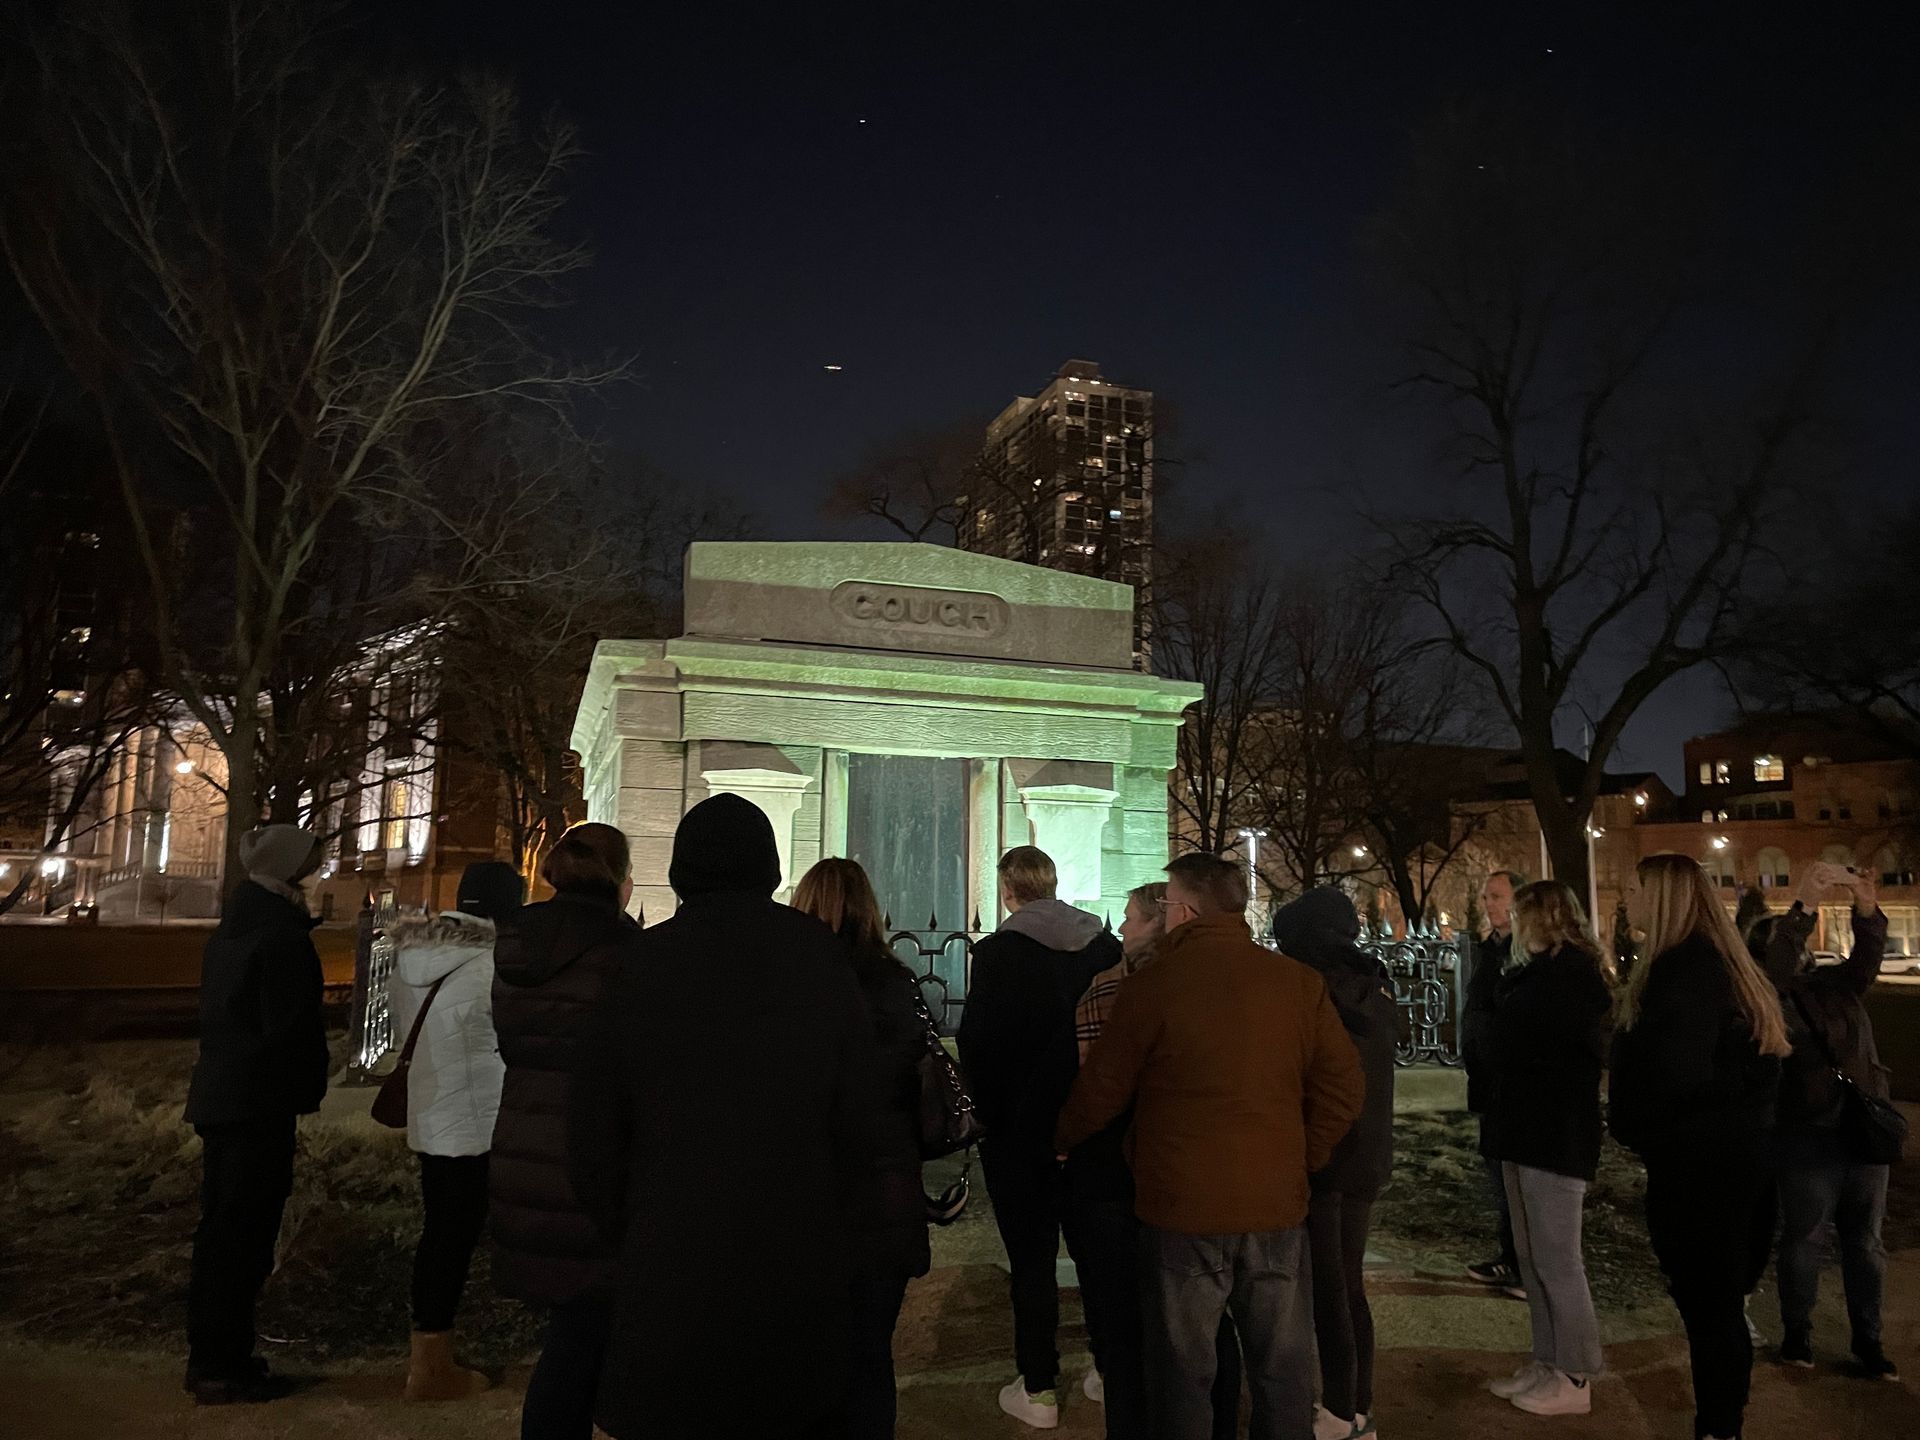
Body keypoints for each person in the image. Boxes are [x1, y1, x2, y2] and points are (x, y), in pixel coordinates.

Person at [568, 795, 882, 1439]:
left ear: (682, 872)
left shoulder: (639, 965)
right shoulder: (819, 959)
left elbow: (592, 1130)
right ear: (768, 869)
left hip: (670, 1252)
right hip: (794, 1249)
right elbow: (860, 1121)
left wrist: (628, 1224)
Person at [1056, 853, 1365, 1440]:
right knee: (1282, 1371)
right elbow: (1344, 1086)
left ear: (1188, 909)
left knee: (1184, 1373)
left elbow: (1103, 1088)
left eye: (1168, 903)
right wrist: (1303, 1154)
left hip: (1182, 1207)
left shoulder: (1154, 987)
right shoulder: (1295, 983)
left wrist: (1062, 1138)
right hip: (1273, 1203)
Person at [1609, 853, 1790, 1440]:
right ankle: (1722, 1420)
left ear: (1661, 896)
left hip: (1700, 1174)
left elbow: (1675, 1082)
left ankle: (1718, 1425)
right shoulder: (1720, 967)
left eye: (1634, 886)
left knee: (1710, 1312)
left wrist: (1632, 1123)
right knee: (1719, 1308)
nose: (1625, 895)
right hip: (1737, 1165)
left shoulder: (1681, 973)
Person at [957, 845, 1122, 1429]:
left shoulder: (999, 953)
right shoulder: (1103, 947)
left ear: (1008, 890)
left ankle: (1040, 1386)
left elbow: (978, 1045)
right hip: (1092, 1129)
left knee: (1031, 1262)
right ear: (1053, 884)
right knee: (1097, 1257)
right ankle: (1107, 1369)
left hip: (1020, 1134)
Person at [491, 824, 641, 1440]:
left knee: (572, 1327)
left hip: (525, 1143)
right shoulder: (625, 951)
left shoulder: (517, 943)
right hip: (594, 1154)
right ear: (621, 880)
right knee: (589, 1334)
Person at [182, 824, 329, 1405]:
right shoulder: (280, 934)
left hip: (227, 1096)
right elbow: (288, 1027)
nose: (316, 871)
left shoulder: (241, 925)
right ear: (289, 870)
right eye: (310, 862)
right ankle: (222, 1366)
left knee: (222, 1230)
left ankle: (217, 1355)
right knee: (242, 1234)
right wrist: (303, 1085)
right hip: (258, 1102)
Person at [792, 857, 932, 1439]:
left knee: (803, 1358)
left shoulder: (789, 981)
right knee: (871, 1355)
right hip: (884, 1192)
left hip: (807, 1197)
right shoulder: (897, 982)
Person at [1751, 861, 1898, 1379]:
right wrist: (1804, 904)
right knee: (1806, 1239)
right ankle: (1798, 1338)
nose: (1798, 948)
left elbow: (1867, 958)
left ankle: (1869, 1344)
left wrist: (1865, 902)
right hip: (1809, 1134)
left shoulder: (1838, 985)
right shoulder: (1771, 995)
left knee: (1866, 1244)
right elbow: (1778, 969)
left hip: (1862, 1130)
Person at [389, 860, 524, 1401]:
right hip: (479, 1122)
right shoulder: (491, 962)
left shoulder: (413, 955)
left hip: (432, 1113)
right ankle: (432, 1372)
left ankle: (430, 1355)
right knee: (457, 1239)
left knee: (441, 1237)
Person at [1480, 881, 1613, 1418]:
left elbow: (1546, 1051)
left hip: (1553, 1135)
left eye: (1522, 915)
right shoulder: (1532, 975)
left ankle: (1576, 1373)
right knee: (1532, 1259)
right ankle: (1548, 1358)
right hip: (1522, 1129)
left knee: (1559, 1260)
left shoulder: (1575, 980)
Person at [1271, 887, 1397, 1440]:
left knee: (1328, 1289)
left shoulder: (1310, 994)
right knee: (1347, 1286)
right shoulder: (1374, 989)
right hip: (1366, 1156)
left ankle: (1341, 1410)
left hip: (1325, 1159)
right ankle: (1358, 1406)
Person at [1062, 880, 1168, 1440]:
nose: (1121, 927)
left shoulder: (1110, 988)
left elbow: (1096, 1084)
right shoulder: (1216, 985)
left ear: (1159, 920)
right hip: (1182, 1164)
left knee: (1118, 1307)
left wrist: (1065, 1138)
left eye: (1131, 917)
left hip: (1112, 1164)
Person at [1459, 870, 1525, 1296]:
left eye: (1497, 896)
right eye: (1486, 896)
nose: (1489, 903)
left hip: (1512, 1085)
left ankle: (1523, 1264)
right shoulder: (1489, 952)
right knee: (1499, 1179)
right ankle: (1510, 1257)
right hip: (1489, 1085)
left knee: (1516, 1182)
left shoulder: (1523, 954)